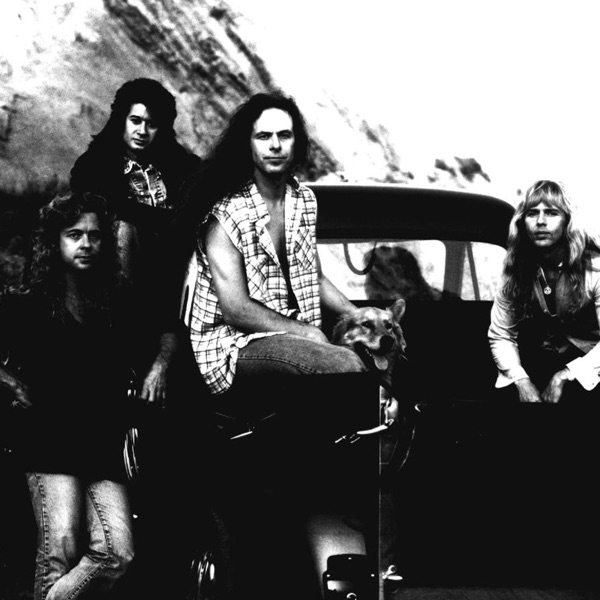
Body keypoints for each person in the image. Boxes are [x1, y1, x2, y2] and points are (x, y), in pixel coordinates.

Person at [181, 91, 366, 397]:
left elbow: (315, 277)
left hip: (293, 334)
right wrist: (306, 332)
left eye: (284, 135)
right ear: (248, 144)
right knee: (343, 364)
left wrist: (359, 315)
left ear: (297, 143)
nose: (275, 145)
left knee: (367, 354)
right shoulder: (227, 212)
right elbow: (236, 309)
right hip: (231, 346)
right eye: (264, 136)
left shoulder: (303, 200)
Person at [0, 192, 137, 600]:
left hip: (101, 447)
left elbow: (166, 326)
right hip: (48, 445)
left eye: (95, 235)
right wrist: (9, 382)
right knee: (57, 555)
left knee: (117, 554)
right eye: (74, 234)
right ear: (54, 241)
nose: (86, 244)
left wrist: (161, 364)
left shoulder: (115, 303)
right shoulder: (29, 304)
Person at [70, 78, 202, 405]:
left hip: (176, 265)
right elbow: (111, 209)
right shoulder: (94, 164)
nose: (142, 131)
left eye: (152, 124)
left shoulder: (177, 163)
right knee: (126, 229)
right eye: (136, 120)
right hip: (120, 275)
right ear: (121, 120)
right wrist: (168, 220)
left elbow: (202, 190)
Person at [488, 179, 600, 403]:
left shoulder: (595, 268)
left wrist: (566, 375)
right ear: (522, 222)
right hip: (549, 354)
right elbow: (501, 334)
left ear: (567, 221)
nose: (540, 221)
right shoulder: (515, 267)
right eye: (532, 213)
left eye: (551, 213)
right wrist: (520, 380)